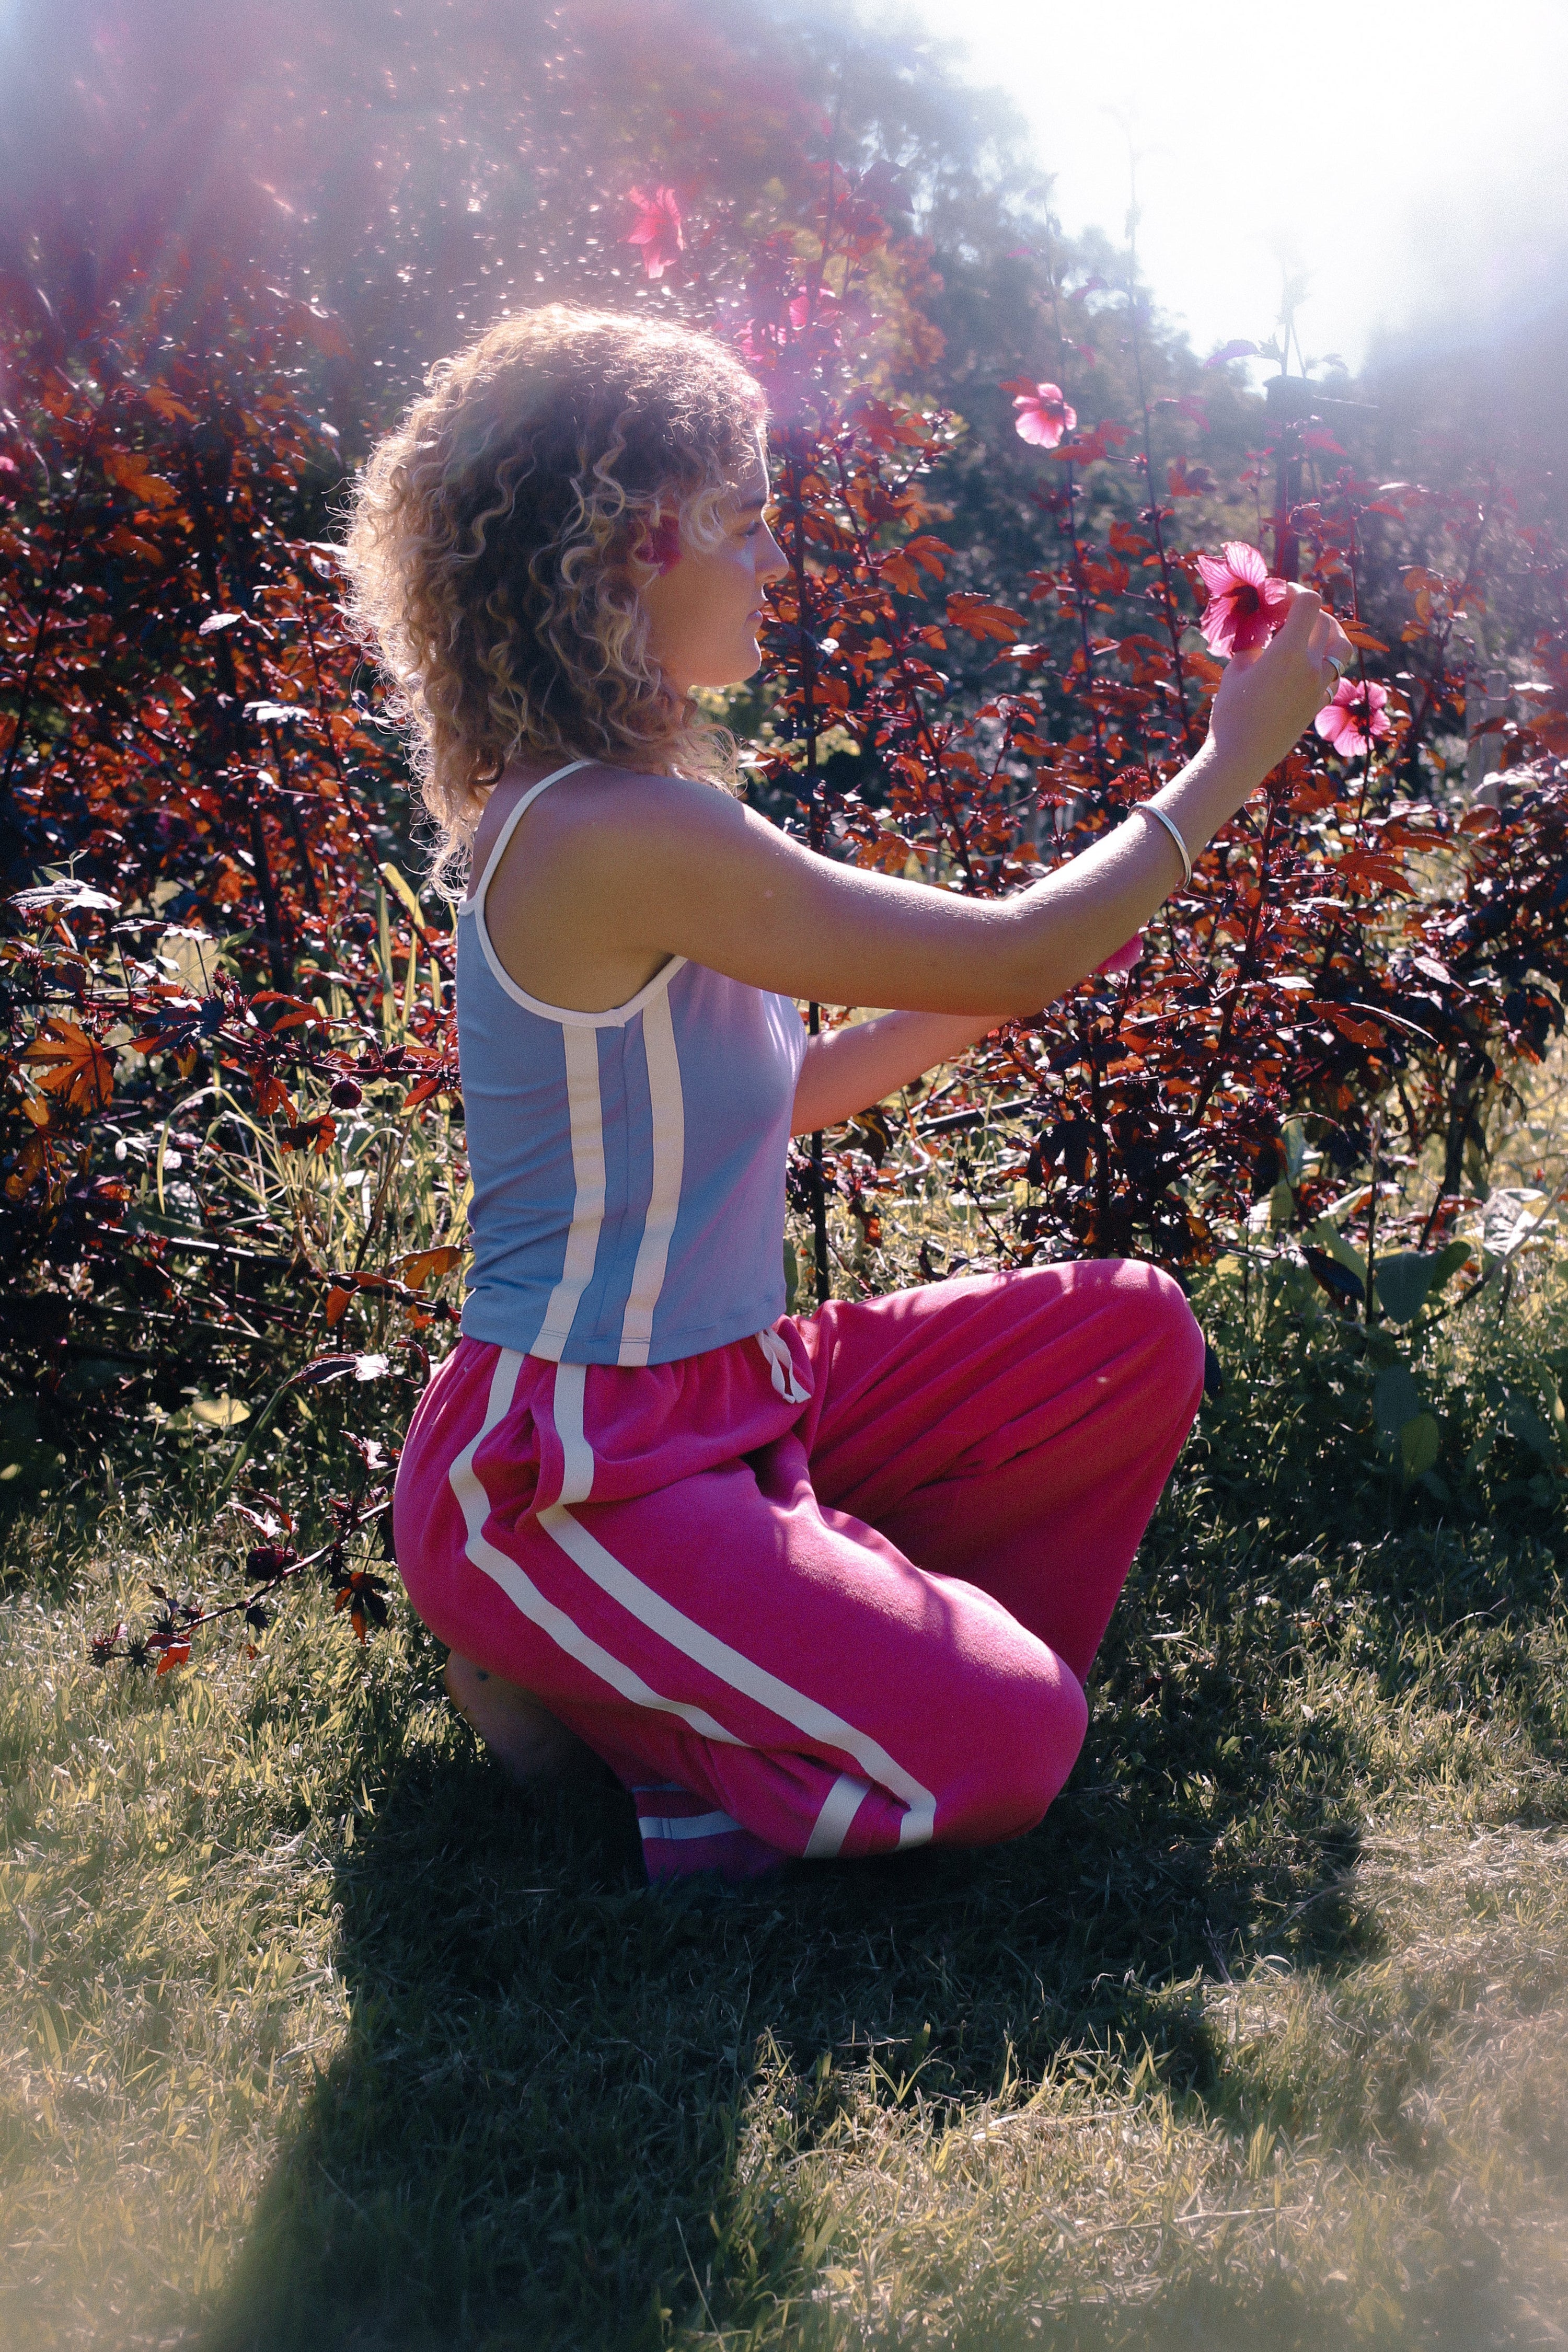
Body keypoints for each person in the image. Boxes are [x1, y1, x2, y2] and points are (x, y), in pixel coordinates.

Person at [344, 305, 1350, 1883]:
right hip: (567, 1466)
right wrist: (1228, 762)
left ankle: (814, 1639)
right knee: (1018, 1743)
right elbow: (1018, 953)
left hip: (737, 1394)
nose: (770, 565)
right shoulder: (606, 831)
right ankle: (616, 1717)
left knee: (1132, 1333)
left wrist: (1004, 977)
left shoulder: (644, 813)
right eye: (743, 526)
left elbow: (783, 1093)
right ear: (629, 549)